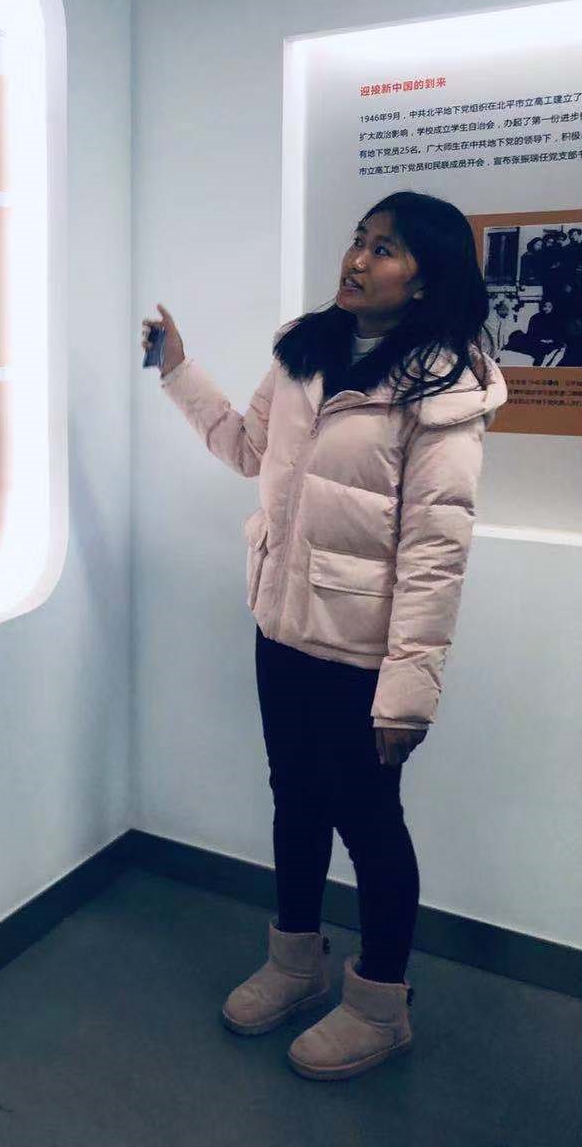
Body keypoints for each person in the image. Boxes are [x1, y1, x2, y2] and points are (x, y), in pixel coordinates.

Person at [142, 190, 506, 1083]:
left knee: (370, 824)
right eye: (359, 240)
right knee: (295, 800)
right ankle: (294, 963)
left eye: (385, 249)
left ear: (426, 279)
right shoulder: (304, 350)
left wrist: (407, 694)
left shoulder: (442, 390)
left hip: (363, 654)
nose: (358, 259)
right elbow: (246, 448)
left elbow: (435, 555)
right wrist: (179, 371)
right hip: (281, 627)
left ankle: (381, 1005)